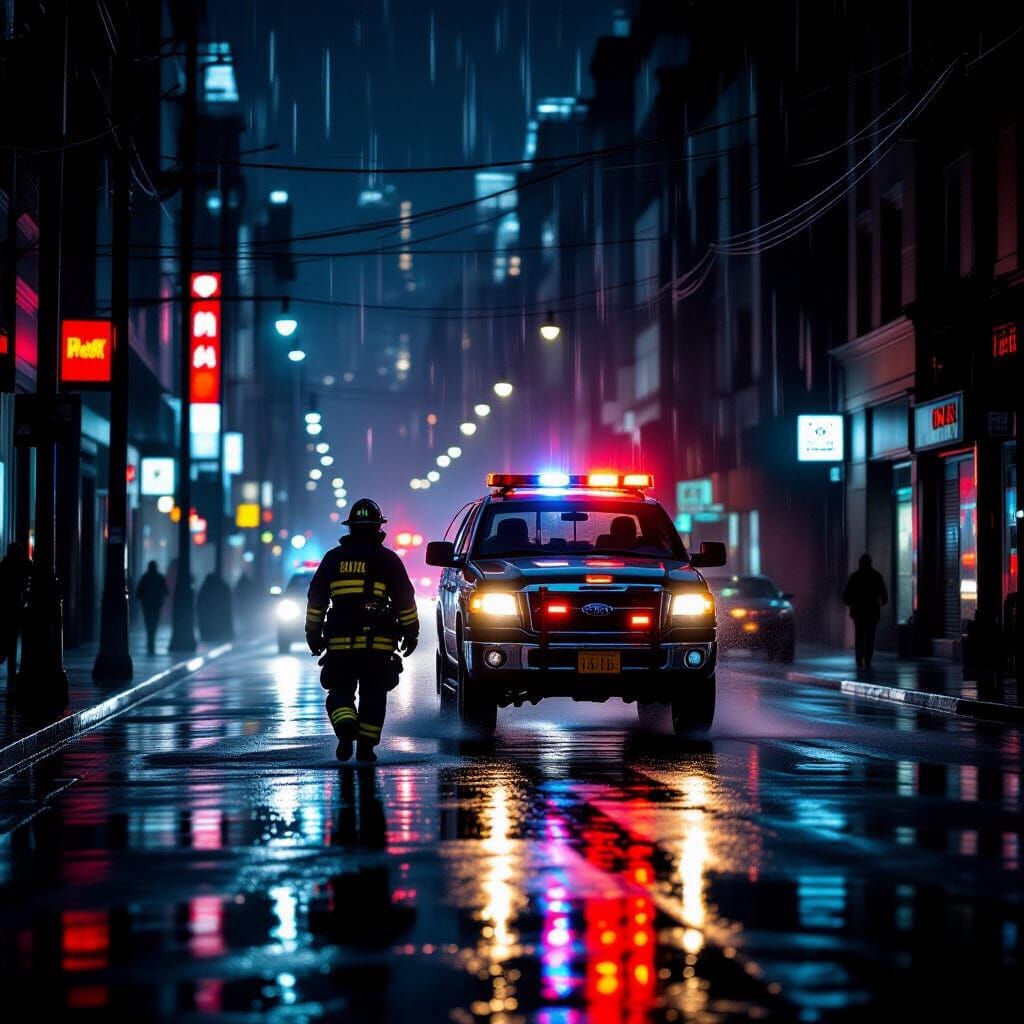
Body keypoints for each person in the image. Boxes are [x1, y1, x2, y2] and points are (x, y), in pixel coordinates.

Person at [305, 498, 419, 763]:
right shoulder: (388, 559)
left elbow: (316, 599)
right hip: (377, 645)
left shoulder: (333, 559)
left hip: (340, 643)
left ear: (350, 528)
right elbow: (405, 600)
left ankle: (345, 730)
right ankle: (366, 749)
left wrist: (313, 633)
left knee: (340, 691)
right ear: (379, 527)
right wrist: (411, 632)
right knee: (374, 696)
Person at [843, 553, 888, 672]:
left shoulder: (855, 577)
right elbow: (883, 593)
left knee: (859, 635)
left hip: (858, 612)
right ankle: (868, 658)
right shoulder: (876, 576)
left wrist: (851, 603)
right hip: (872, 611)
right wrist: (882, 601)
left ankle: (859, 658)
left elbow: (847, 595)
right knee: (870, 636)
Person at [0, 542, 32, 682]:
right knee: (12, 638)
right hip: (15, 607)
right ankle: (11, 669)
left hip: (5, 608)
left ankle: (7, 661)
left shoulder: (4, 565)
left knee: (8, 637)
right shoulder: (22, 565)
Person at [136, 560, 168, 655]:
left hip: (147, 605)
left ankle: (150, 640)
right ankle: (151, 640)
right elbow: (166, 591)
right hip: (156, 605)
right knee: (154, 623)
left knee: (148, 623)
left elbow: (139, 592)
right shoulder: (160, 577)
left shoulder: (145, 577)